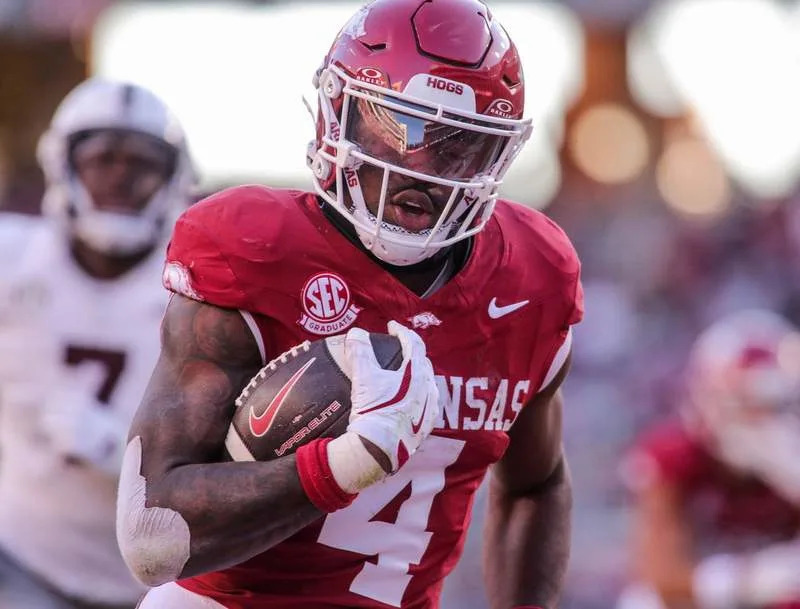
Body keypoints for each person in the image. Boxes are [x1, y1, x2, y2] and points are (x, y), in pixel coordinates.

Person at [115, 1, 584, 608]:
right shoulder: (255, 249)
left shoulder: (531, 277)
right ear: (338, 113)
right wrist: (340, 465)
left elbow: (538, 483)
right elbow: (150, 537)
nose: (422, 168)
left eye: (458, 145)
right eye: (400, 127)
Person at [0, 77, 195, 609]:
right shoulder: (12, 261)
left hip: (156, 588)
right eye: (102, 158)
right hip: (22, 560)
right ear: (63, 164)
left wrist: (123, 456)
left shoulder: (197, 286)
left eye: (141, 163)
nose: (120, 176)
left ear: (172, 175)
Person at [617, 310, 800, 609]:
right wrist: (750, 580)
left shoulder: (789, 462)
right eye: (749, 403)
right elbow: (662, 581)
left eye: (774, 404)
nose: (763, 418)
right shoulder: (675, 458)